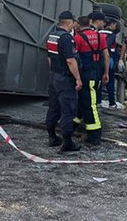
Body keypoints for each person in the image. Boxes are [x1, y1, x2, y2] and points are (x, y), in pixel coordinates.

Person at [46, 11, 83, 151]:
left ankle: (52, 136)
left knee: (53, 107)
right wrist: (78, 78)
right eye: (73, 22)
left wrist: (53, 72)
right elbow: (70, 60)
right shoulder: (67, 38)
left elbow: (49, 58)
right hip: (65, 78)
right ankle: (67, 142)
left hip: (54, 76)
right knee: (68, 109)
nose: (74, 25)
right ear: (69, 23)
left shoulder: (52, 36)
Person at [73, 16, 109, 145]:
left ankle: (95, 136)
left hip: (85, 75)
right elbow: (106, 56)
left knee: (90, 105)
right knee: (84, 102)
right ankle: (73, 125)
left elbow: (73, 58)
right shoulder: (100, 36)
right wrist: (106, 73)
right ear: (89, 23)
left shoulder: (77, 38)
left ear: (78, 25)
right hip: (97, 73)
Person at [99, 19, 124, 109]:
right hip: (109, 59)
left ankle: (98, 101)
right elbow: (107, 46)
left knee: (99, 81)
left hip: (98, 59)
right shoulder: (112, 35)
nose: (116, 27)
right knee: (110, 81)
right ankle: (112, 102)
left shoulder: (99, 32)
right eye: (115, 25)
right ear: (112, 24)